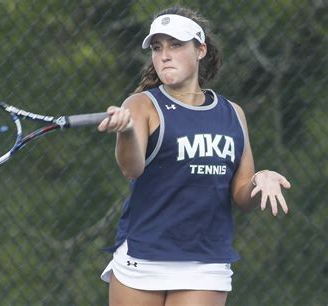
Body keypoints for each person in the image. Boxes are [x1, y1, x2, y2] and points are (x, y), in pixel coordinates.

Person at [97, 6, 291, 306]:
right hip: (143, 254)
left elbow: (241, 196)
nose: (164, 55)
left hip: (205, 262)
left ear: (200, 50)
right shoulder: (141, 105)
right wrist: (125, 131)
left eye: (175, 45)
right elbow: (131, 168)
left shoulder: (233, 114)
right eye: (158, 47)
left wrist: (259, 179)